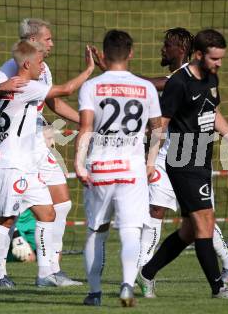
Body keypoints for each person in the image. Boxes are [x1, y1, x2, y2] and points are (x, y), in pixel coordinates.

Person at [137, 29, 228, 299]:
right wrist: (151, 162)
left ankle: (146, 273)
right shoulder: (179, 82)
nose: (219, 64)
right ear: (199, 54)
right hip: (182, 160)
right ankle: (218, 287)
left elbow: (212, 114)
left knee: (190, 231)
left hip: (202, 157)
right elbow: (160, 126)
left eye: (221, 59)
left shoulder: (211, 77)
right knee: (204, 222)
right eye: (215, 59)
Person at [0, 18, 81, 286]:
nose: (51, 43)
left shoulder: (37, 72)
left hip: (27, 149)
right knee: (5, 219)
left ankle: (48, 272)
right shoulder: (18, 75)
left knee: (52, 210)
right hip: (15, 158)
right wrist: (92, 68)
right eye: (48, 38)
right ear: (32, 43)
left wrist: (84, 121)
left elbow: (48, 102)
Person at [75, 30, 162, 307]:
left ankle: (95, 293)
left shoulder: (91, 86)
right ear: (131, 53)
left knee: (97, 230)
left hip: (100, 166)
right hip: (132, 168)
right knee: (130, 230)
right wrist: (150, 163)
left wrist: (78, 163)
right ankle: (127, 284)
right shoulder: (146, 87)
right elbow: (157, 129)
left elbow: (86, 128)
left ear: (103, 53)